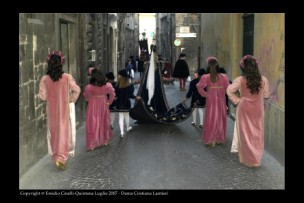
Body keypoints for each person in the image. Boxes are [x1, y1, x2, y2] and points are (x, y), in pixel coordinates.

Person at [39, 50, 81, 170]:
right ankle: (61, 158)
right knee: (64, 131)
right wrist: (71, 99)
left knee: (54, 131)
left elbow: (42, 96)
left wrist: (51, 98)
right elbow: (77, 90)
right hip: (64, 108)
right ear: (61, 63)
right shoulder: (67, 77)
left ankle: (56, 155)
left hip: (51, 109)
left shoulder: (45, 79)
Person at [226, 55, 269, 167]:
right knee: (258, 133)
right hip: (258, 109)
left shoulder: (240, 80)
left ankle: (247, 159)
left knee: (245, 133)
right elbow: (266, 95)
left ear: (244, 67)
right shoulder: (263, 80)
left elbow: (229, 90)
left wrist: (237, 100)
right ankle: (256, 159)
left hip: (244, 108)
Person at [196, 56, 230, 147]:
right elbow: (228, 89)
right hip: (221, 100)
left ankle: (211, 140)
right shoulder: (224, 76)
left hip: (211, 100)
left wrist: (205, 94)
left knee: (211, 119)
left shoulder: (206, 77)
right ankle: (219, 138)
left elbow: (199, 86)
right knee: (220, 119)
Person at [84, 68, 115, 151]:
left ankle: (92, 144)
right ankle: (105, 140)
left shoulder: (89, 87)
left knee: (92, 124)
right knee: (104, 122)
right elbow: (112, 93)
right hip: (103, 104)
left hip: (93, 105)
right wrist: (109, 102)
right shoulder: (107, 85)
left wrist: (91, 99)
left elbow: (86, 97)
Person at [115, 69, 141, 137]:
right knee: (126, 116)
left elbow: (116, 95)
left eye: (119, 75)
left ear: (121, 76)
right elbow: (130, 95)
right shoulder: (129, 85)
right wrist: (136, 97)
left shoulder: (117, 85)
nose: (118, 76)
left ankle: (122, 133)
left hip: (119, 103)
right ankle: (127, 128)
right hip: (126, 103)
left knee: (121, 117)